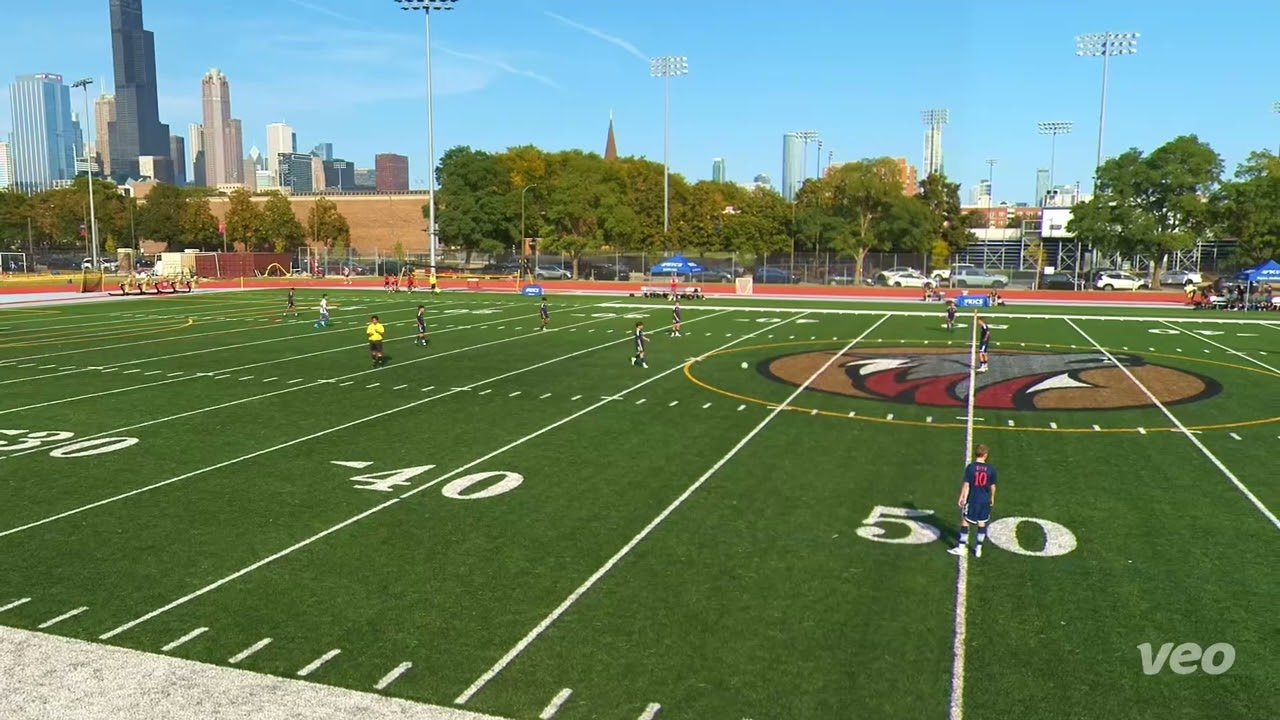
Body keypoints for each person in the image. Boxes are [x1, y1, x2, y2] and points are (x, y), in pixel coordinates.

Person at [949, 444, 997, 558]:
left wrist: (961, 496)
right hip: (984, 500)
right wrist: (992, 497)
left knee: (965, 521)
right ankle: (978, 549)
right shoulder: (991, 469)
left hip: (973, 499)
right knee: (982, 522)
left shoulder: (971, 467)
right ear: (986, 455)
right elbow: (993, 487)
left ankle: (961, 547)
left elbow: (966, 484)